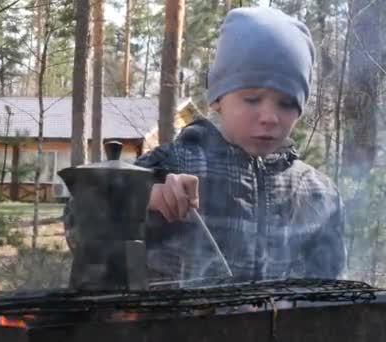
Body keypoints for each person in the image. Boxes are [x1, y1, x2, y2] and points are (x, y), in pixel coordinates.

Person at [65, 6, 345, 284]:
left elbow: (330, 289)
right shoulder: (171, 165)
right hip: (179, 328)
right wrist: (145, 197)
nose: (270, 117)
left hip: (282, 330)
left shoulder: (318, 194)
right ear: (217, 98)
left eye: (286, 103)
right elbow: (76, 223)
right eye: (252, 99)